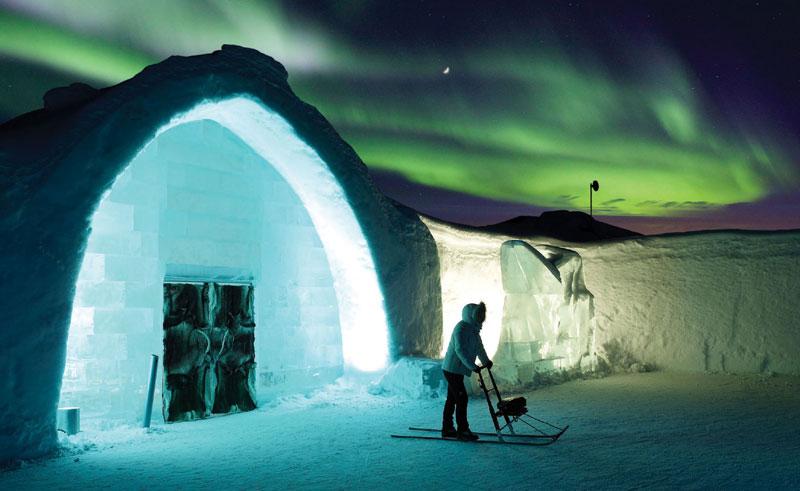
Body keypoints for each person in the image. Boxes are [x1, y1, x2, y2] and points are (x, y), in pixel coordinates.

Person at [441, 302, 493, 441]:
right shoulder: (461, 329)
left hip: (458, 369)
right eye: (478, 315)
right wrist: (472, 366)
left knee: (453, 399)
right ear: (471, 315)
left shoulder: (474, 330)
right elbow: (460, 350)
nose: (480, 318)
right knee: (461, 398)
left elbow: (479, 348)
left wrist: (486, 361)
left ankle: (447, 428)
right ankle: (462, 430)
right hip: (451, 369)